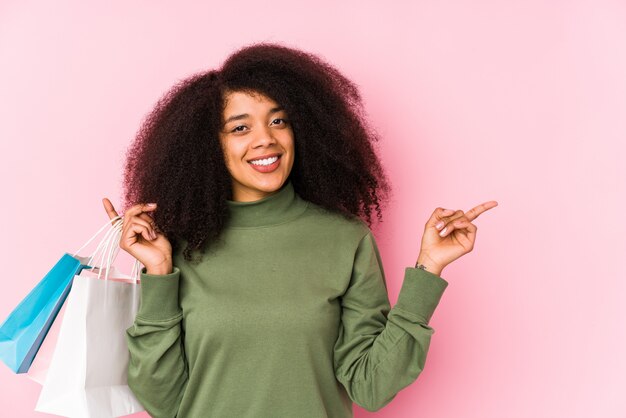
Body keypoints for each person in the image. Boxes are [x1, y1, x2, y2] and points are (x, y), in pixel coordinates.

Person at [102, 42, 497, 418]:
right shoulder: (177, 249)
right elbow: (163, 402)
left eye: (279, 121)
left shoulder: (345, 238)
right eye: (240, 128)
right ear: (209, 146)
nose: (265, 139)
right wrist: (157, 272)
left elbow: (371, 386)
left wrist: (428, 271)